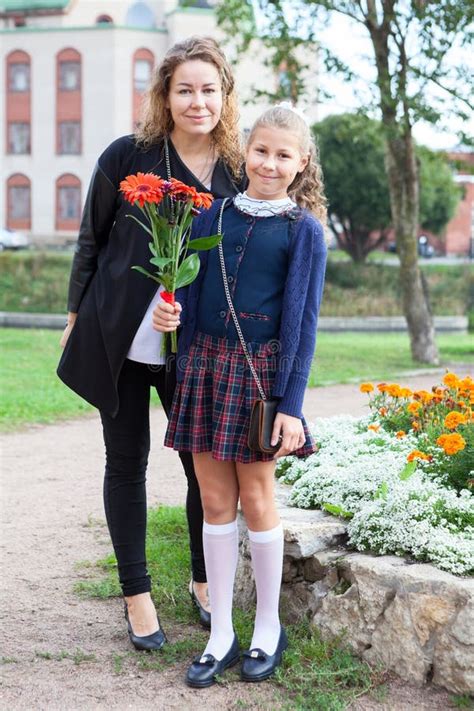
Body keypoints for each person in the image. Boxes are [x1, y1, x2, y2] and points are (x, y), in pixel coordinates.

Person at [57, 36, 245, 651]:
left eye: (208, 90)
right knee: (126, 462)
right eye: (184, 89)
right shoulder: (127, 157)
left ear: (225, 96)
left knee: (203, 467)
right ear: (165, 96)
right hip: (118, 336)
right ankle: (136, 595)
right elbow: (92, 239)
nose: (197, 101)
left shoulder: (240, 171)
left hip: (193, 346)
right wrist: (72, 314)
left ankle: (202, 581)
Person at [153, 104, 327, 686]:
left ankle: (267, 628)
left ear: (301, 164)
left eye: (283, 155)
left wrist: (293, 406)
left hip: (262, 380)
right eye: (261, 151)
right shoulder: (213, 214)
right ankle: (222, 632)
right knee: (213, 500)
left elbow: (302, 325)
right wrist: (169, 311)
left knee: (257, 498)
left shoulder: (304, 231)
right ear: (245, 151)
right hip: (204, 369)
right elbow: (193, 292)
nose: (270, 163)